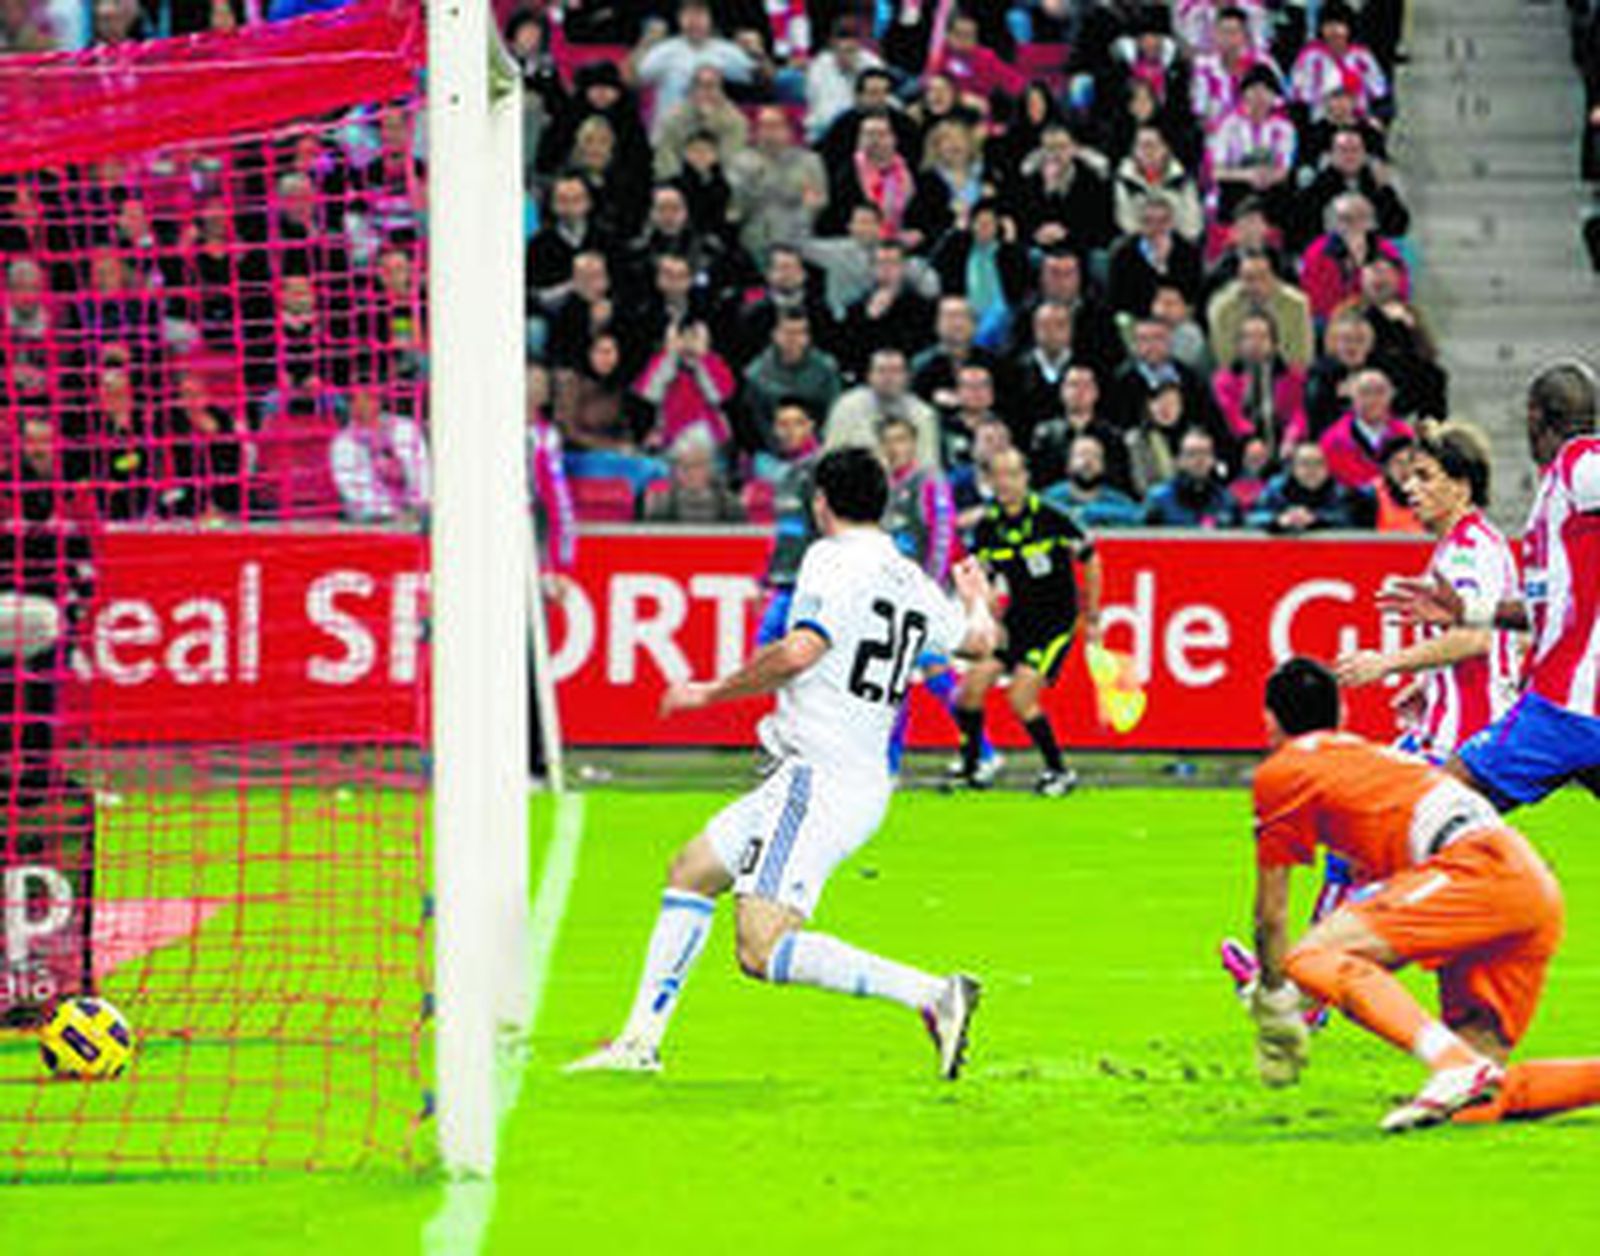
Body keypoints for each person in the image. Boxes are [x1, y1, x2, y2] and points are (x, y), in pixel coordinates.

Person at [566, 448, 995, 1076]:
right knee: (690, 869)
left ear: (821, 502)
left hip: (819, 779)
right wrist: (976, 598)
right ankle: (638, 1043)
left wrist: (709, 692)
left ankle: (932, 994)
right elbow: (979, 640)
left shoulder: (830, 559)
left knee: (760, 948)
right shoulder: (910, 579)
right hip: (846, 777)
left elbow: (800, 651)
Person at [1244, 657, 1600, 1133]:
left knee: (1311, 955)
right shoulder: (1374, 759)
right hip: (1525, 882)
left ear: (1269, 720)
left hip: (1477, 870)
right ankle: (1467, 1068)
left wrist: (1275, 1003)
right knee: (1480, 1099)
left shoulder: (1284, 772)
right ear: (1341, 717)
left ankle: (1452, 1063)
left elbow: (1272, 915)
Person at [1380, 362, 1600, 813]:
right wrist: (1470, 610)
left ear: (1534, 416)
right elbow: (1546, 609)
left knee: (1433, 810)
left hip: (1563, 709)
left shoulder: (1581, 464)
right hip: (1569, 707)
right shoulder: (1559, 490)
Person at [1336, 423, 1519, 763]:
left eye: (1424, 477)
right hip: (1444, 729)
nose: (1409, 487)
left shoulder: (1469, 550)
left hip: (1464, 738)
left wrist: (1387, 663)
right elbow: (1503, 641)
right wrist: (1430, 682)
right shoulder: (1459, 545)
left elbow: (1473, 639)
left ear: (1461, 488)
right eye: (1410, 477)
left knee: (1371, 803)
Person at [952, 449, 1101, 797]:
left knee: (1021, 696)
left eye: (1012, 474)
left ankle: (1059, 771)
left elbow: (1091, 559)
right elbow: (982, 578)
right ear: (990, 482)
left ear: (1025, 478)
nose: (1006, 483)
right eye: (998, 476)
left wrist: (1092, 615)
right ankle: (974, 767)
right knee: (969, 689)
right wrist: (987, 616)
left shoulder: (1052, 517)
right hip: (1016, 621)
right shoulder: (989, 527)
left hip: (1055, 622)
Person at [878, 415, 991, 779]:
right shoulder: (884, 488)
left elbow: (942, 536)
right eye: (888, 442)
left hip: (927, 594)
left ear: (913, 444)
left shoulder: (929, 483)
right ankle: (893, 764)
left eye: (901, 441)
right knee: (902, 679)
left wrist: (932, 587)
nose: (895, 449)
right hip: (896, 597)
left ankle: (982, 751)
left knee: (926, 674)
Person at [754, 399, 824, 646]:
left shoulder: (821, 469)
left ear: (811, 427)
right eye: (783, 424)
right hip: (786, 579)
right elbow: (784, 531)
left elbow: (829, 527)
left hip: (810, 583)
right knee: (771, 652)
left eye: (797, 423)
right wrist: (766, 576)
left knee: (772, 650)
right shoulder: (786, 473)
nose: (789, 431)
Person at [826, 347, 940, 468]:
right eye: (881, 371)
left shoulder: (923, 414)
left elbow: (929, 466)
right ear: (869, 376)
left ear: (907, 377)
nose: (888, 378)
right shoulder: (846, 407)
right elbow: (831, 457)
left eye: (895, 371)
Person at [1248, 442, 1360, 533]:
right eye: (1305, 463)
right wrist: (1279, 519)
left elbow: (1349, 518)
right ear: (1293, 468)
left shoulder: (1339, 489)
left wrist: (1315, 519)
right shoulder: (1277, 487)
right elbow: (1252, 517)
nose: (1312, 470)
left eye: (1318, 463)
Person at [642, 428, 747, 524]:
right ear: (675, 469)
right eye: (684, 466)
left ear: (709, 467)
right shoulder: (661, 507)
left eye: (696, 465)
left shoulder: (731, 506)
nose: (690, 473)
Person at [1141, 428, 1241, 528]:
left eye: (1205, 453)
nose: (1199, 459)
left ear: (1213, 459)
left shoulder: (1226, 501)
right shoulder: (1159, 499)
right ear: (1179, 460)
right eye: (1192, 454)